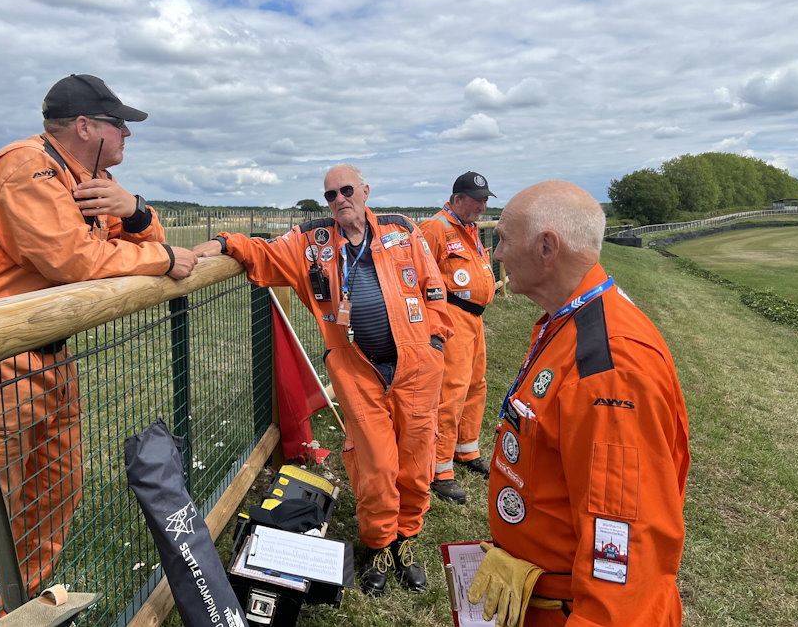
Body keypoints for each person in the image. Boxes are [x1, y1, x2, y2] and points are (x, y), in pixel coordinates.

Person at [0, 73, 197, 625]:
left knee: (55, 487)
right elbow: (76, 261)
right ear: (85, 126)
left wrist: (136, 211)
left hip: (49, 354)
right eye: (118, 123)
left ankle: (26, 609)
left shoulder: (87, 178)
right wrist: (165, 258)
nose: (128, 134)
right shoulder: (25, 167)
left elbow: (141, 242)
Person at [192, 164, 452, 597]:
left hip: (416, 367)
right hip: (356, 370)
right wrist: (224, 242)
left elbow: (433, 286)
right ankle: (381, 545)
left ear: (366, 191)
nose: (339, 200)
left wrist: (436, 342)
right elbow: (263, 253)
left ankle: (407, 538)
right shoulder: (311, 242)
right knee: (377, 463)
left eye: (346, 190)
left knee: (417, 453)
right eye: (330, 195)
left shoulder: (402, 229)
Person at [467, 181, 690, 626]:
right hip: (539, 591)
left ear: (547, 247)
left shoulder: (608, 369)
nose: (496, 254)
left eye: (504, 240)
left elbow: (624, 539)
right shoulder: (569, 321)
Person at [419, 171, 496, 505]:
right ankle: (439, 469)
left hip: (474, 320)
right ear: (459, 199)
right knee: (451, 392)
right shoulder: (436, 228)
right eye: (477, 201)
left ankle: (467, 449)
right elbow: (417, 276)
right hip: (452, 320)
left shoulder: (470, 227)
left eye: (484, 201)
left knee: (476, 386)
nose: (482, 207)